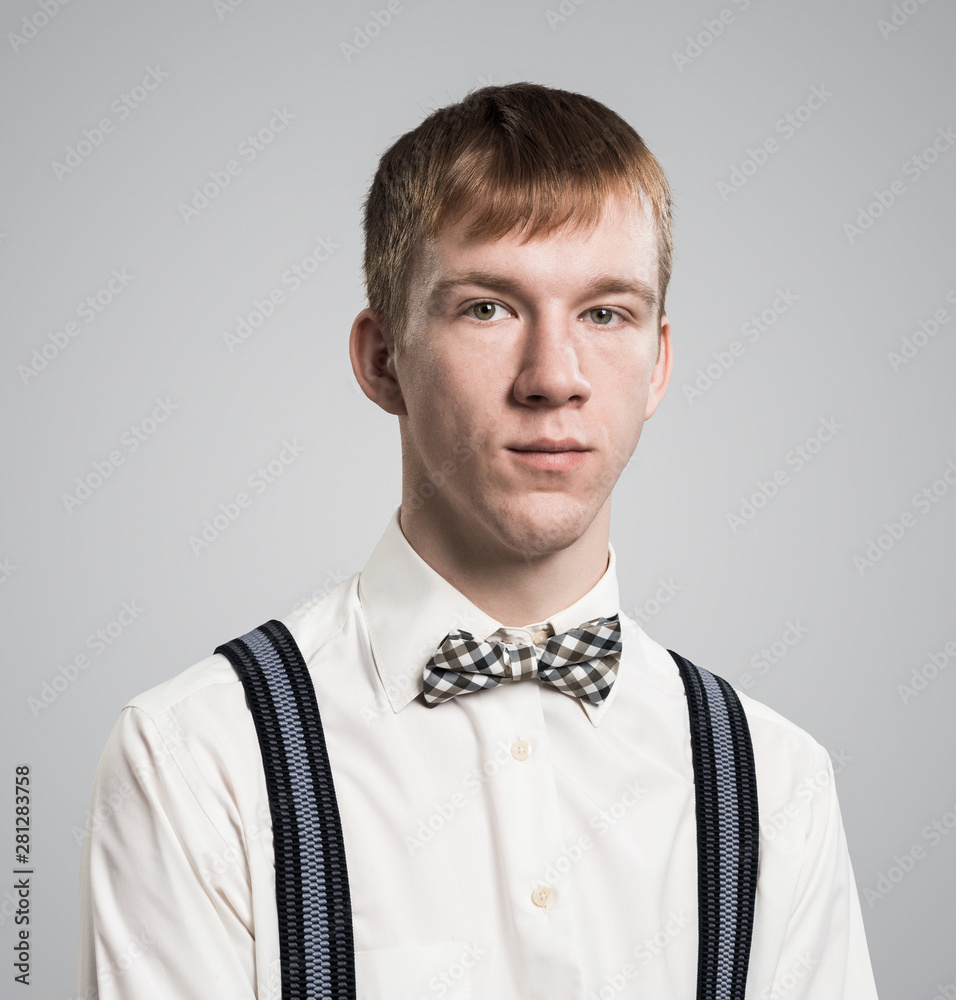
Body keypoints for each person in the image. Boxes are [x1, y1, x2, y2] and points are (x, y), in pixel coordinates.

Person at [77, 81, 879, 999]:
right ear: (384, 360)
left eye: (605, 312)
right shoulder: (197, 759)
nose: (554, 377)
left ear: (658, 363)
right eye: (488, 308)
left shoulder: (778, 784)